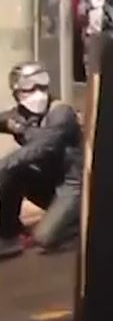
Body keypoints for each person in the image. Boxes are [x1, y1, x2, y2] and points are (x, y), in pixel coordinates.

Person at [0, 63, 81, 258]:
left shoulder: (61, 113)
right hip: (48, 182)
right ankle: (8, 232)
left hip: (72, 186)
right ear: (17, 93)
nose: (38, 92)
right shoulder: (19, 116)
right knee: (10, 173)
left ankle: (81, 224)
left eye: (42, 85)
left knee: (44, 238)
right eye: (29, 87)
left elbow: (42, 147)